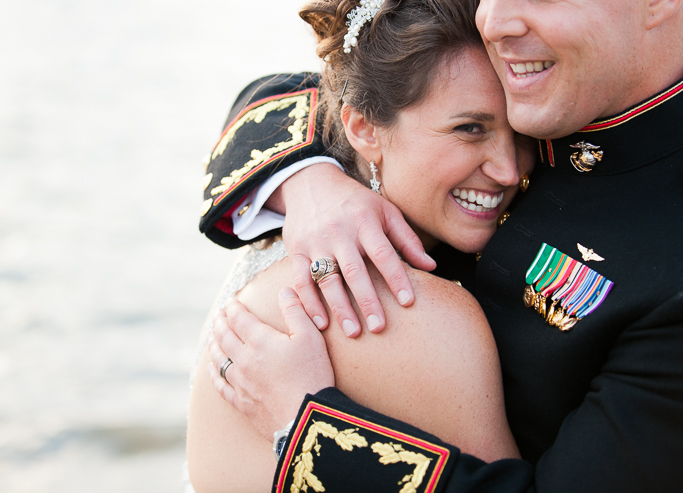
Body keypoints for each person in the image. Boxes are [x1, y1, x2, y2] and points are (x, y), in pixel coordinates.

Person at [203, 0, 683, 491]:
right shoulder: (547, 83)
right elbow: (333, 83)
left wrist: (309, 430)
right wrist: (311, 182)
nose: (496, 21)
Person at [187, 1, 531, 491]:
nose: (508, 169)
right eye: (469, 129)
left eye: (521, 131)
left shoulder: (305, 216)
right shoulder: (418, 316)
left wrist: (305, 179)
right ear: (364, 128)